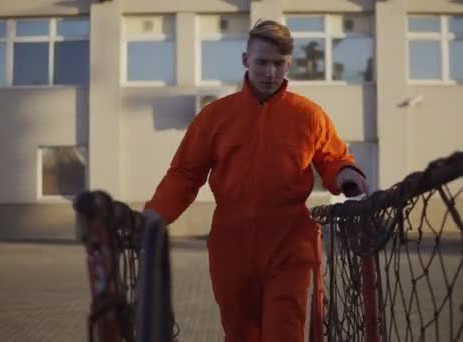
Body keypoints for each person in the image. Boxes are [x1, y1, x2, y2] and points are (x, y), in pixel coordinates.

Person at [143, 19, 367, 342]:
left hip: (290, 243)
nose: (270, 72)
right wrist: (154, 216)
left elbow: (333, 159)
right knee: (241, 336)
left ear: (289, 64)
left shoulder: (309, 116)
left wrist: (346, 174)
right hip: (230, 246)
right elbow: (185, 174)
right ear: (246, 60)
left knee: (284, 333)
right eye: (262, 62)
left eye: (279, 64)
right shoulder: (215, 117)